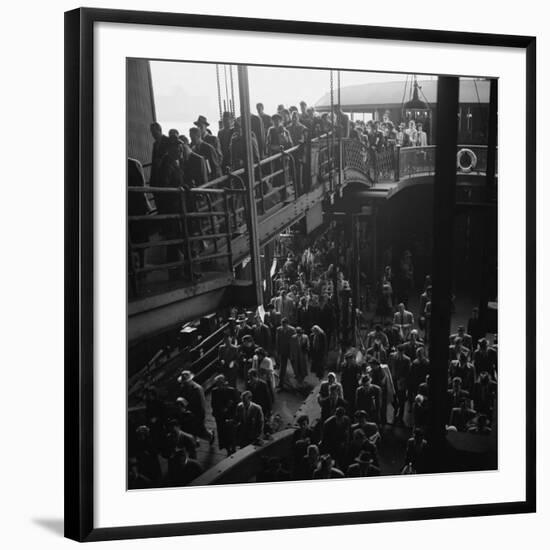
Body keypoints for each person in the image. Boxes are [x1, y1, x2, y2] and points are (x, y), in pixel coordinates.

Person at [177, 369, 215, 444]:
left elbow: (201, 404)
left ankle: (210, 436)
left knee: (200, 430)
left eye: (185, 382)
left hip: (196, 413)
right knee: (189, 429)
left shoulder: (197, 389)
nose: (183, 383)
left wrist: (199, 415)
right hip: (188, 413)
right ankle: (194, 441)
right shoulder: (184, 387)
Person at [210, 374, 240, 455]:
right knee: (222, 434)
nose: (219, 386)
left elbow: (237, 403)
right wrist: (219, 410)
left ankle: (233, 448)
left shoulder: (231, 391)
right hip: (220, 417)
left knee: (231, 433)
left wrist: (229, 408)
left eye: (220, 384)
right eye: (217, 384)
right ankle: (227, 449)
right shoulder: (214, 391)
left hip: (230, 416)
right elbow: (213, 404)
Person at [390, 345, 412, 425]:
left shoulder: (407, 360)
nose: (399, 354)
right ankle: (395, 411)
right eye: (398, 352)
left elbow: (408, 372)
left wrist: (403, 379)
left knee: (402, 399)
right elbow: (390, 367)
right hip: (393, 380)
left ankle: (400, 416)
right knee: (393, 397)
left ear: (403, 352)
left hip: (401, 381)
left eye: (401, 352)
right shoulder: (392, 357)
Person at [276, 318, 296, 390]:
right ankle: (281, 383)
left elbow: (294, 342)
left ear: (288, 324)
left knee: (294, 364)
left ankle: (298, 378)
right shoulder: (279, 329)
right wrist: (278, 351)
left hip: (290, 351)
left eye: (285, 325)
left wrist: (293, 352)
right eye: (282, 325)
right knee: (282, 367)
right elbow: (277, 340)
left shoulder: (292, 330)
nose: (283, 326)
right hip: (283, 351)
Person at [149, 121, 170, 186]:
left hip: (166, 176)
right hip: (157, 177)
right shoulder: (155, 144)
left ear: (160, 130)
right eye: (152, 133)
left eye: (155, 133)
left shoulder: (168, 141)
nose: (153, 135)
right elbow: (154, 162)